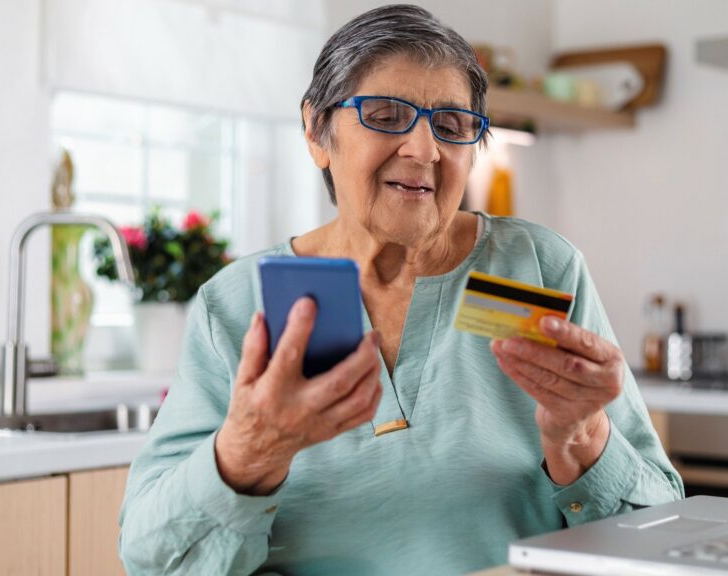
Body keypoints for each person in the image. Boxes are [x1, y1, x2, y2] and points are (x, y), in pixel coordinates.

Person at [119, 5, 683, 575]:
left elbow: (661, 533)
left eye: (451, 124)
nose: (424, 149)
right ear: (318, 132)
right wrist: (248, 451)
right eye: (386, 115)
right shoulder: (239, 305)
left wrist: (583, 434)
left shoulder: (532, 269)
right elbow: (152, 561)